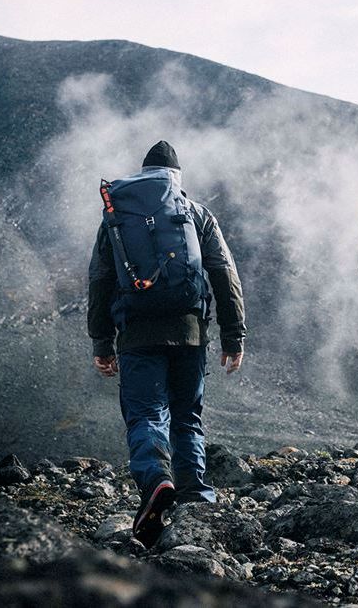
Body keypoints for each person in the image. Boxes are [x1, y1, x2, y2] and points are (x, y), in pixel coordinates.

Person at [88, 140, 246, 545]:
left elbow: (100, 281)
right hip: (190, 332)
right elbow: (224, 274)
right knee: (187, 416)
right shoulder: (195, 213)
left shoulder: (117, 217)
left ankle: (157, 480)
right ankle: (195, 496)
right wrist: (233, 335)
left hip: (137, 335)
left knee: (145, 414)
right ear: (177, 176)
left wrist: (102, 343)